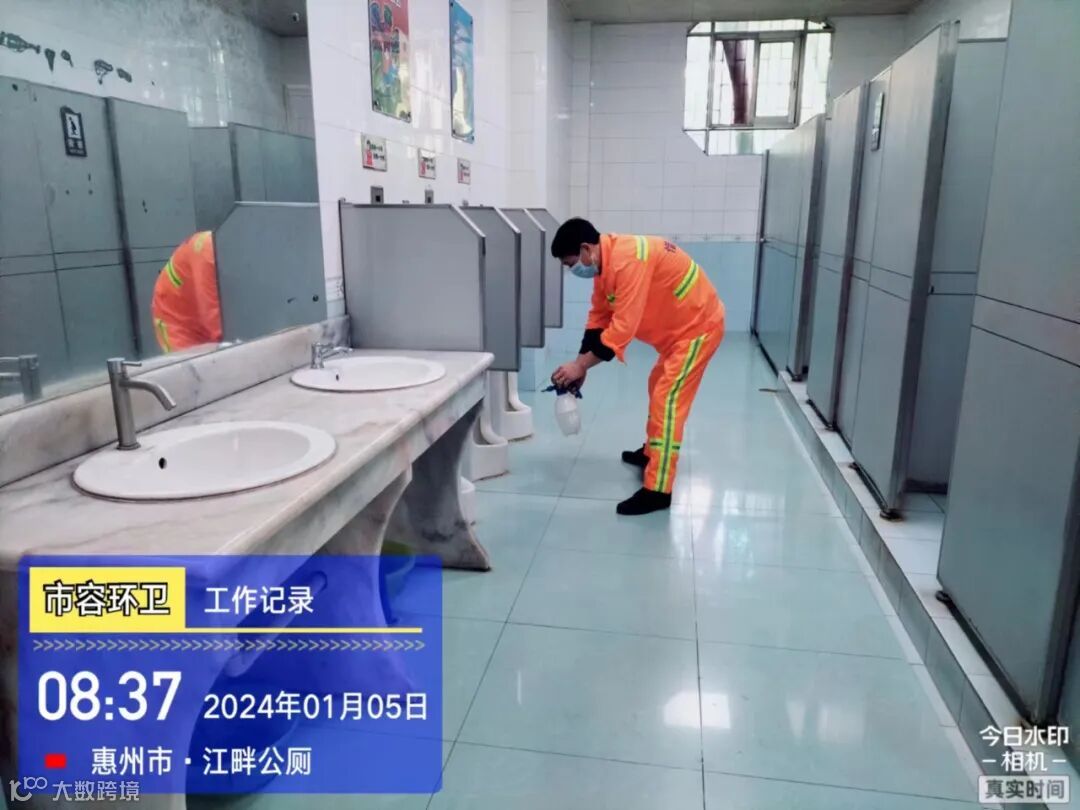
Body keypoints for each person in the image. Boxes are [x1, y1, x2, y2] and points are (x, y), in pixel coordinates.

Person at [550, 218, 725, 516]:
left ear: (586, 249)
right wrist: (581, 365)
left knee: (667, 400)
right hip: (678, 333)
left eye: (570, 263)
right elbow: (598, 319)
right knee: (657, 386)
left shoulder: (628, 261)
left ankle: (658, 490)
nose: (571, 270)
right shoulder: (605, 265)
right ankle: (652, 452)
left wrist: (581, 366)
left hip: (699, 328)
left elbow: (621, 330)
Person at [150, 231, 222, 353]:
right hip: (175, 320)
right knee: (187, 362)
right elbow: (214, 320)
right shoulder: (208, 257)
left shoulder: (217, 248)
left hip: (199, 313)